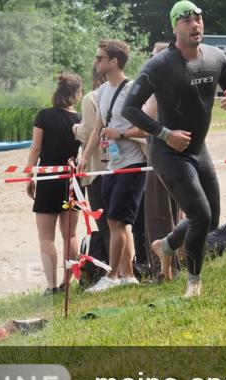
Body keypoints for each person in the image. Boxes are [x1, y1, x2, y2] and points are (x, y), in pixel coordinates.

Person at [121, 1, 226, 299]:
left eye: (198, 18)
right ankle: (194, 283)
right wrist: (165, 134)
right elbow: (130, 109)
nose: (195, 24)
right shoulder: (160, 65)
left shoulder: (216, 57)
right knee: (200, 215)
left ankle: (166, 245)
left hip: (198, 149)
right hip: (168, 151)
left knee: (211, 219)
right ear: (175, 26)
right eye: (186, 20)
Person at [78, 40, 146, 292]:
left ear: (114, 61)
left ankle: (113, 276)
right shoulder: (103, 91)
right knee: (117, 224)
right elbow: (96, 128)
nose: (96, 62)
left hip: (132, 163)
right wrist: (85, 156)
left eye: (100, 58)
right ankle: (128, 275)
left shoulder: (133, 90)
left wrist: (122, 134)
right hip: (110, 164)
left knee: (116, 221)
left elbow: (148, 128)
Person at [25, 74, 82, 295]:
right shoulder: (79, 119)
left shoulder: (44, 116)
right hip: (72, 178)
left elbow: (35, 149)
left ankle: (51, 286)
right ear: (76, 94)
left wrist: (29, 176)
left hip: (48, 178)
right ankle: (68, 283)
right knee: (71, 235)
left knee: (46, 237)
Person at [141, 42, 180, 282]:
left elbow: (146, 116)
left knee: (158, 214)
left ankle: (163, 271)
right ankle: (172, 267)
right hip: (173, 153)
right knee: (174, 214)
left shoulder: (162, 85)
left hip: (161, 152)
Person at [74, 62, 110, 277]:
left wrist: (76, 129)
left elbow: (89, 133)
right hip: (124, 166)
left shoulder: (92, 98)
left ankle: (111, 271)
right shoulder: (126, 93)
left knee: (106, 225)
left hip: (97, 169)